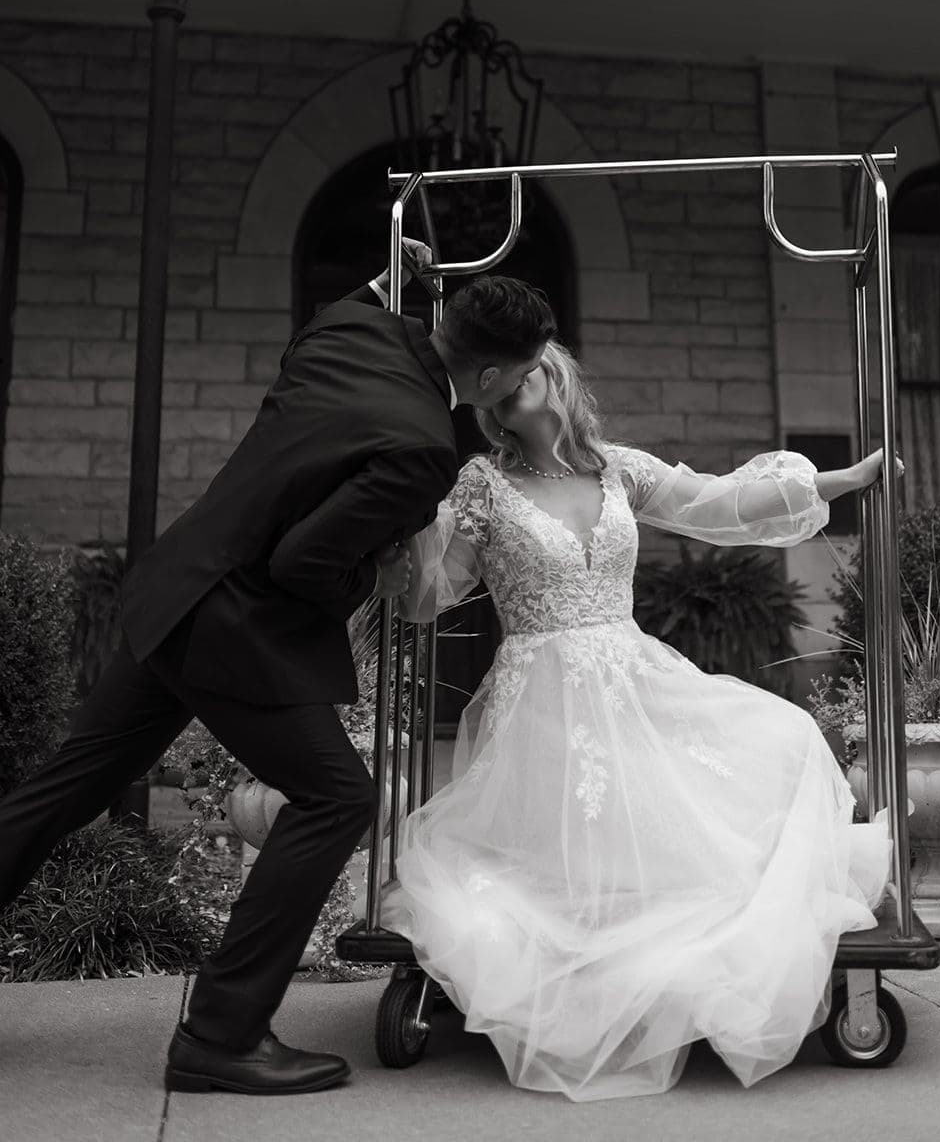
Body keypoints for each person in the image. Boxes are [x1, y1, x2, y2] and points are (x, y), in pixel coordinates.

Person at [0, 250, 555, 1096]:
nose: (517, 388)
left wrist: (384, 281)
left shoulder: (350, 330)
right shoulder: (419, 446)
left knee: (62, 791)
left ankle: (222, 1032)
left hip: (175, 592)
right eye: (518, 374)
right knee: (337, 798)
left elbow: (339, 314)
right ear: (486, 376)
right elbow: (304, 566)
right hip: (235, 632)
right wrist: (379, 570)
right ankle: (221, 1035)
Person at [382, 339, 897, 1102]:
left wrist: (843, 479)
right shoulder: (481, 484)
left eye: (525, 365)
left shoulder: (617, 469)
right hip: (540, 696)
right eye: (498, 377)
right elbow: (431, 595)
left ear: (554, 376)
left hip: (630, 673)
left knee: (781, 740)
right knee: (570, 848)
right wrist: (414, 526)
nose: (511, 383)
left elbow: (718, 502)